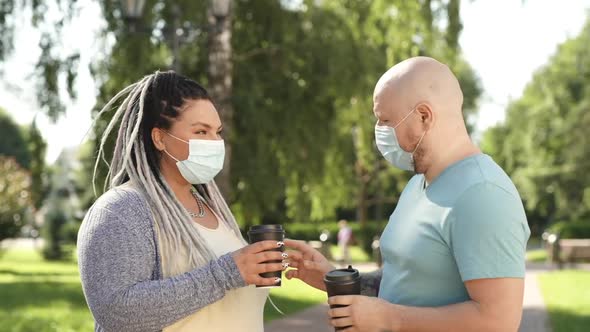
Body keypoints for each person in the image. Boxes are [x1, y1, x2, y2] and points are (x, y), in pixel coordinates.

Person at [284, 56, 530, 332]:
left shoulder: (483, 194)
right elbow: (402, 278)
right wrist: (332, 277)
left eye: (385, 121)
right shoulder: (418, 184)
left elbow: (498, 322)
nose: (379, 134)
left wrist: (388, 319)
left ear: (424, 116)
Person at [77, 71, 287, 332]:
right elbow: (117, 311)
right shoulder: (121, 209)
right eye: (201, 131)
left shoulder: (211, 207)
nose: (215, 142)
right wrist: (225, 274)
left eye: (217, 132)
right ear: (160, 138)